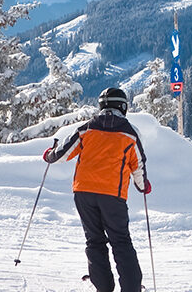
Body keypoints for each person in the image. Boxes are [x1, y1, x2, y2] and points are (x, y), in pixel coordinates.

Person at [44, 87, 151, 292]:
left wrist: (49, 155)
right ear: (123, 107)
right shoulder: (129, 133)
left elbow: (62, 153)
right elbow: (138, 165)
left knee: (94, 241)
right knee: (120, 242)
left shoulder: (87, 128)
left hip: (83, 192)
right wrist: (142, 185)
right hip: (113, 195)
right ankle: (131, 288)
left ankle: (103, 287)